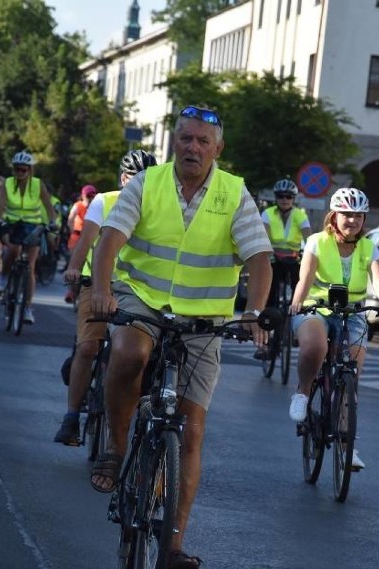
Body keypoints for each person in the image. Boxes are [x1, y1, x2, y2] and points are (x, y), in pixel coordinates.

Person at [90, 105, 272, 569]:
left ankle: (171, 546)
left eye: (202, 141)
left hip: (204, 318)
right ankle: (115, 446)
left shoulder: (234, 192)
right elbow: (110, 238)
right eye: (186, 139)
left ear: (218, 148)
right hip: (142, 298)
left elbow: (258, 258)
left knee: (191, 432)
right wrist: (101, 291)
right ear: (175, 141)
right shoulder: (147, 183)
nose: (193, 147)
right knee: (130, 353)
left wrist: (252, 312)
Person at [287, 187, 379, 471]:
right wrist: (297, 302)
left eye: (358, 216)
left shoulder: (368, 246)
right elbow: (305, 277)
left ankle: (346, 444)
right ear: (334, 216)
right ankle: (302, 392)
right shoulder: (317, 241)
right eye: (346, 214)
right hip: (316, 307)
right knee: (316, 347)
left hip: (352, 313)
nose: (352, 220)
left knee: (353, 368)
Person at [53, 149, 158, 445]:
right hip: (97, 283)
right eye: (136, 179)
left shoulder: (162, 206)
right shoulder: (105, 200)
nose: (142, 185)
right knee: (87, 348)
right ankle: (72, 417)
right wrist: (74, 268)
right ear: (124, 179)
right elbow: (86, 240)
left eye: (148, 179)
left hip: (139, 289)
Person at [0, 151, 58, 325]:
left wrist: (52, 222)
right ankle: (4, 275)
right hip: (12, 223)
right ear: (13, 170)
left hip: (32, 225)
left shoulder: (38, 185)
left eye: (24, 170)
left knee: (30, 266)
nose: (20, 173)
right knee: (13, 249)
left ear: (30, 170)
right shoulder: (7, 183)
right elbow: (0, 204)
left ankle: (28, 308)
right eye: (17, 169)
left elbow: (48, 205)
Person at [255, 177, 311, 358]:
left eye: (288, 197)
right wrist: (266, 252)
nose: (284, 200)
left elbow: (309, 238)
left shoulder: (300, 215)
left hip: (293, 260)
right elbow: (262, 236)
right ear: (276, 197)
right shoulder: (268, 214)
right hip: (274, 260)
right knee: (269, 299)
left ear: (293, 199)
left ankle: (296, 329)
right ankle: (265, 343)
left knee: (300, 297)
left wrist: (308, 253)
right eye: (281, 196)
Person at [63, 184, 98, 304]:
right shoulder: (78, 205)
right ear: (83, 196)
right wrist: (71, 230)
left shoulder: (97, 206)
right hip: (77, 237)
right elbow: (71, 219)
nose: (90, 198)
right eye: (88, 196)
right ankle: (71, 291)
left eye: (92, 196)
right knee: (74, 262)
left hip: (91, 239)